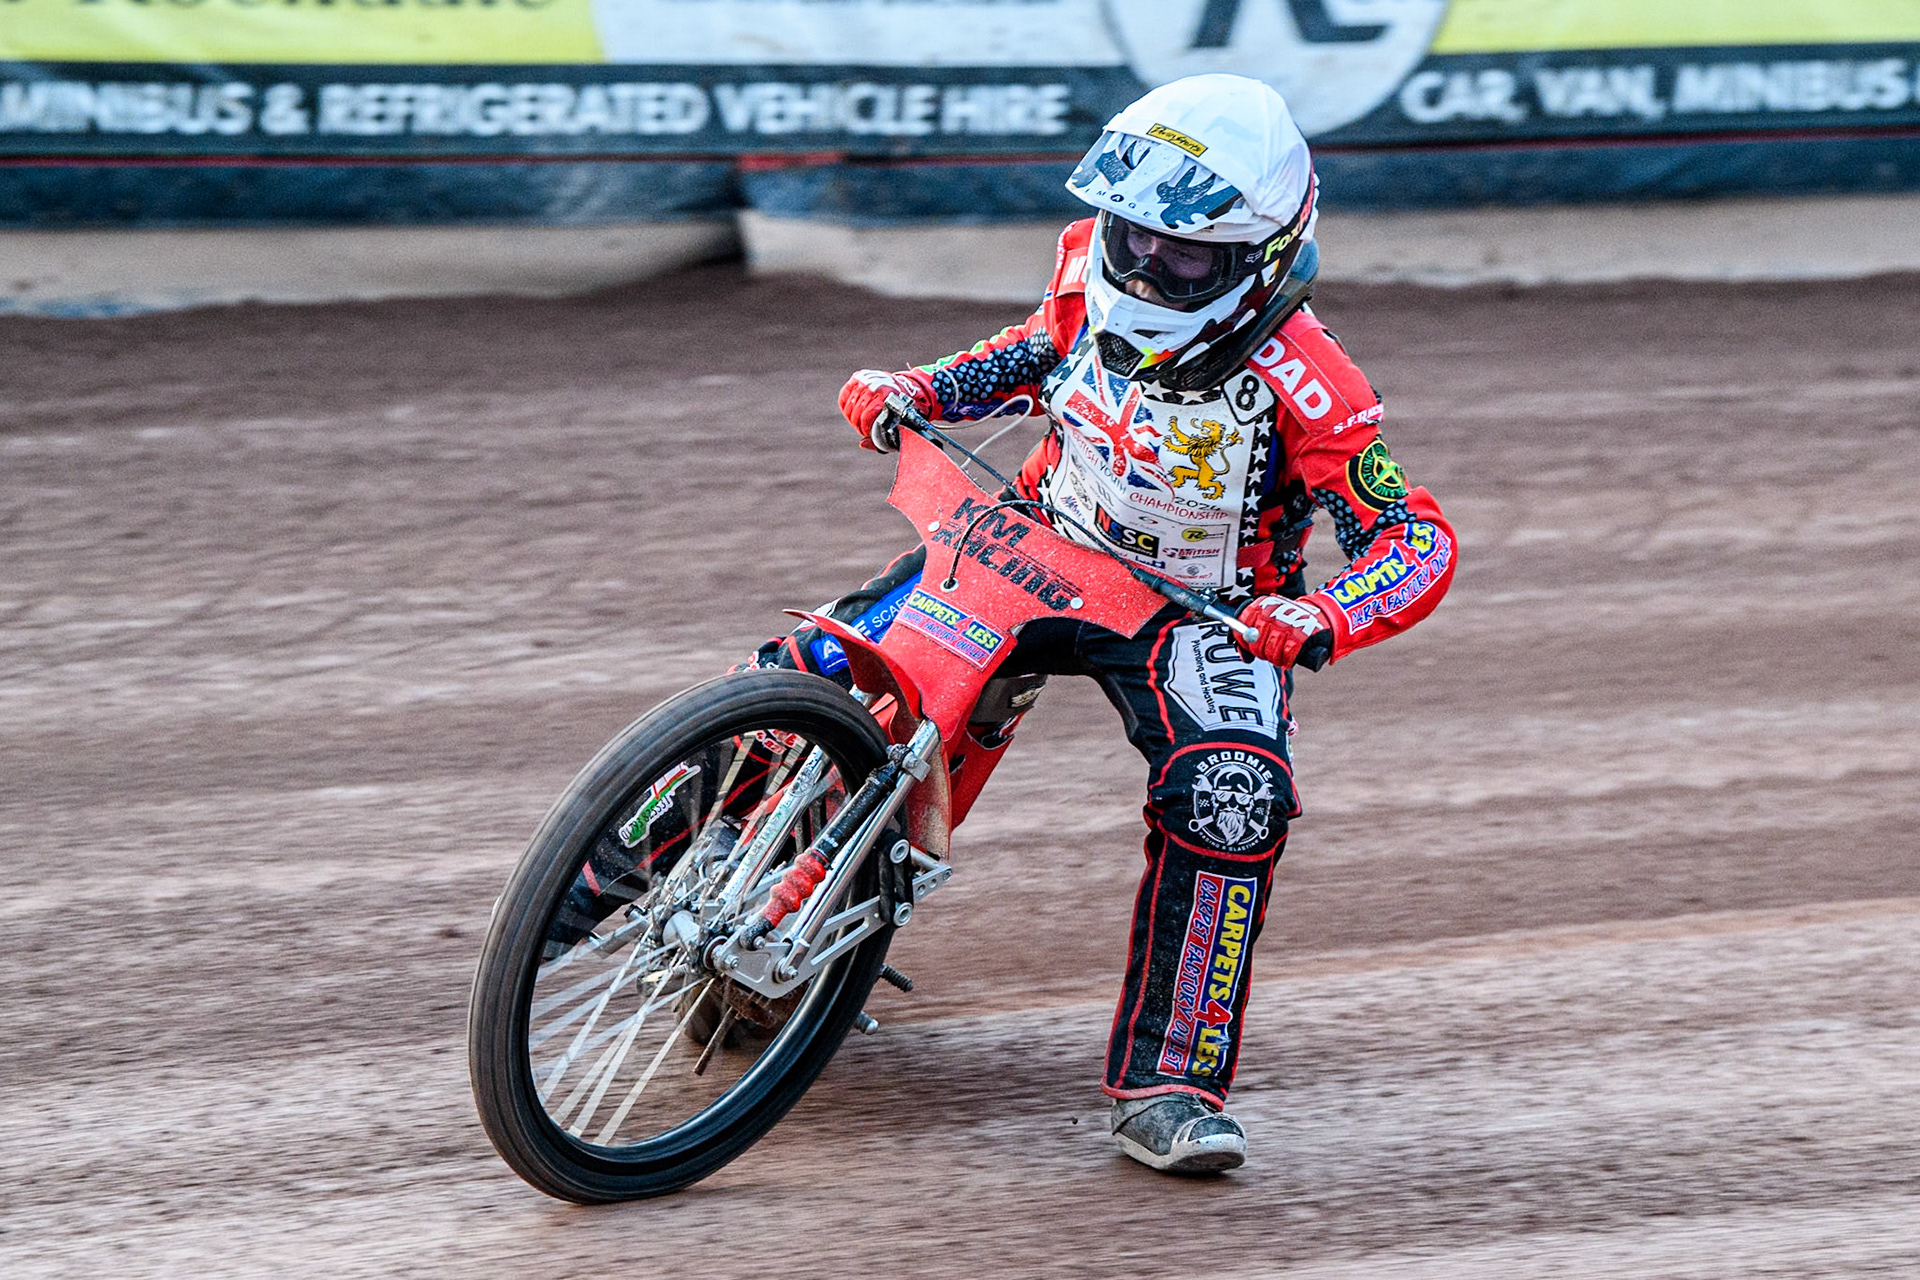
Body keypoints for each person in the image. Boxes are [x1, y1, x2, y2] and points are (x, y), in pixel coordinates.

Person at [748, 74, 1456, 1174]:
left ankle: (1168, 1084)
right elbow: (1037, 350)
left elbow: (1413, 537)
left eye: (1185, 256)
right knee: (815, 671)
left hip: (1201, 612)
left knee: (1233, 794)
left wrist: (1322, 614)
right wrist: (920, 389)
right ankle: (627, 878)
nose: (1146, 266)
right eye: (1135, 235)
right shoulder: (1087, 260)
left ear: (1263, 254)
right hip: (1037, 535)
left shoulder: (1313, 382)